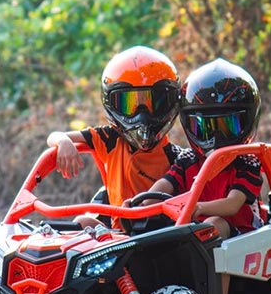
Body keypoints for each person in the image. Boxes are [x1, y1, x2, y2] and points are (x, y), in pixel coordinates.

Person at [46, 45, 182, 227]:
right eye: (129, 104)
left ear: (170, 103)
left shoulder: (176, 157)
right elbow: (55, 136)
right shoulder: (110, 139)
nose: (142, 115)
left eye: (152, 103)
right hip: (115, 235)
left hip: (158, 236)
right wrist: (63, 141)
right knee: (82, 221)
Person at [141, 58, 264, 240]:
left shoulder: (247, 163)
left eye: (227, 126)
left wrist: (198, 207)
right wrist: (142, 203)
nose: (216, 138)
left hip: (240, 238)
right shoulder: (187, 159)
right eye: (204, 128)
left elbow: (233, 204)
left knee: (214, 224)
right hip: (194, 234)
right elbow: (164, 185)